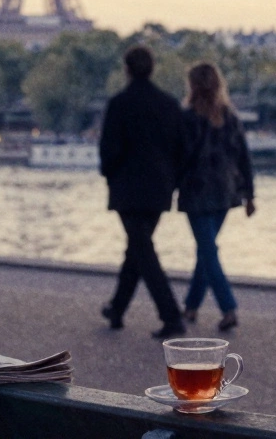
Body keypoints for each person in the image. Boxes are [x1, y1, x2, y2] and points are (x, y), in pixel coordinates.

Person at [98, 45, 187, 339]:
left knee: (143, 251)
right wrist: (172, 180)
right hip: (160, 188)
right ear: (153, 68)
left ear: (126, 69)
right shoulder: (169, 104)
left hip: (128, 188)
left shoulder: (119, 104)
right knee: (138, 248)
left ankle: (172, 316)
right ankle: (116, 309)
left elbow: (109, 150)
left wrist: (110, 176)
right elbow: (181, 149)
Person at [177, 62, 255, 332]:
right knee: (206, 251)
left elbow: (178, 159)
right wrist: (250, 195)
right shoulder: (229, 116)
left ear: (193, 85)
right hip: (225, 192)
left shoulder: (187, 118)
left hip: (196, 191)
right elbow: (243, 157)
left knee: (208, 251)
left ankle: (228, 307)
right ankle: (190, 308)